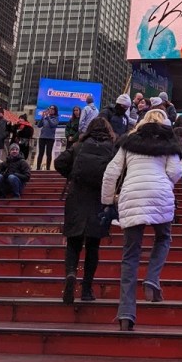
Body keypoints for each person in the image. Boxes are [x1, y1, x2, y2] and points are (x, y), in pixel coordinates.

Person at [101, 112, 182, 331]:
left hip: (132, 195)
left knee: (130, 256)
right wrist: (164, 183)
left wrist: (107, 202)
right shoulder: (168, 141)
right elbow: (175, 172)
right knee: (163, 237)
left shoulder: (129, 141)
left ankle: (126, 314)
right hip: (160, 195)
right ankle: (152, 278)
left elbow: (111, 173)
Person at [55, 117, 116, 304]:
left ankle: (71, 273)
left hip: (77, 196)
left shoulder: (79, 146)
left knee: (73, 242)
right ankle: (87, 289)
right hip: (99, 199)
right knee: (93, 246)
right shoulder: (112, 149)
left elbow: (59, 163)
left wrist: (72, 175)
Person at [36, 105, 59, 171]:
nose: (50, 110)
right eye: (49, 109)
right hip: (42, 137)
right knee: (40, 153)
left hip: (50, 138)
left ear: (55, 110)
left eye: (52, 109)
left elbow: (53, 125)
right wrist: (42, 117)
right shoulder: (45, 117)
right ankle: (37, 168)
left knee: (48, 153)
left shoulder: (56, 118)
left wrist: (48, 117)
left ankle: (48, 168)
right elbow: (39, 125)